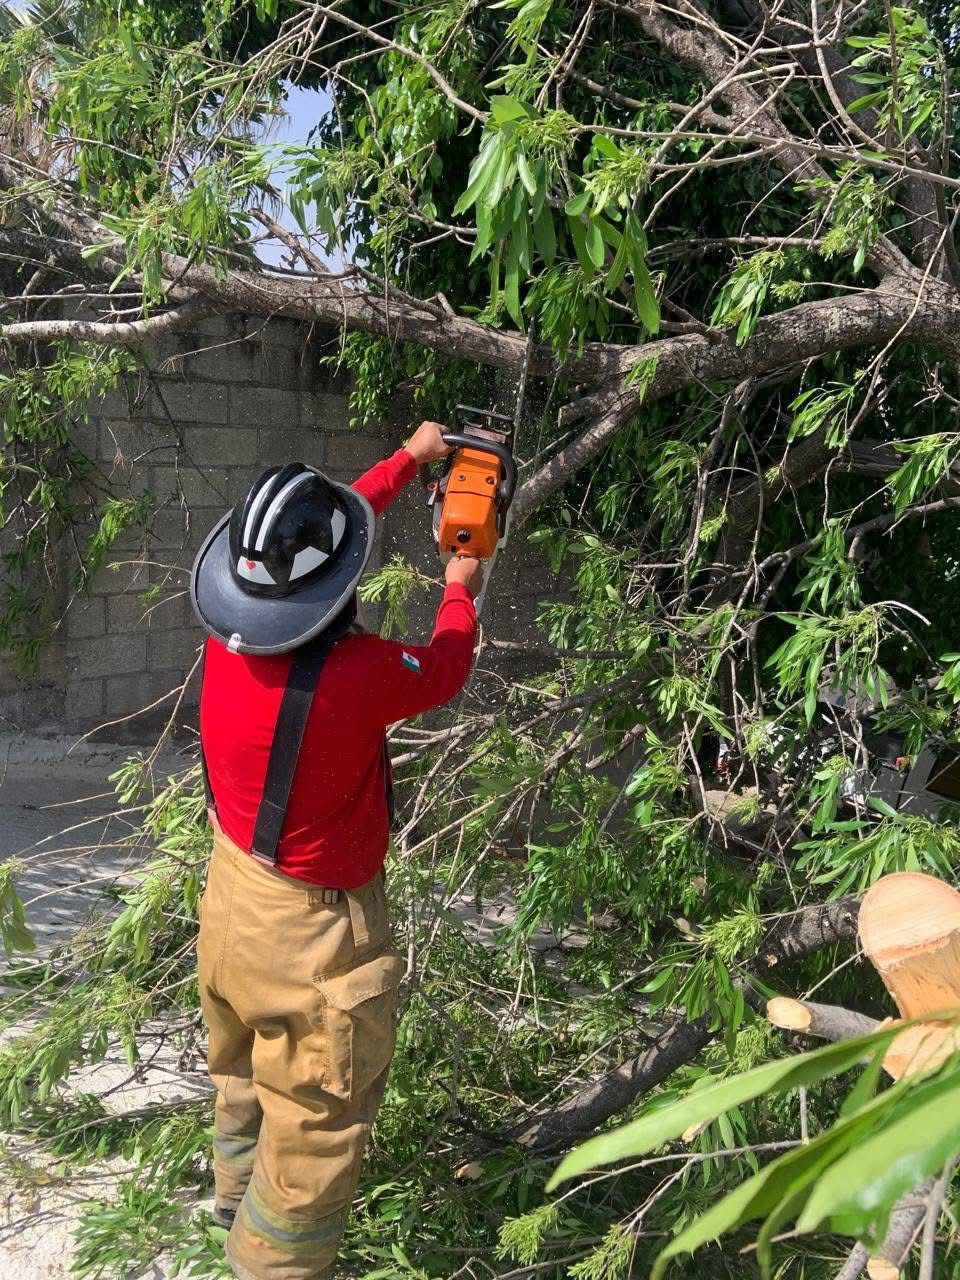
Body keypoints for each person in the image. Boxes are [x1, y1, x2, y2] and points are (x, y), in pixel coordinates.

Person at [189, 420, 483, 1280]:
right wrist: (460, 581)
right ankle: (273, 1266)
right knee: (315, 1121)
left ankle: (227, 1199)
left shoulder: (228, 634)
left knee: (240, 1070)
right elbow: (446, 667)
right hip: (314, 936)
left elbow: (321, 539)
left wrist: (405, 460)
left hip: (233, 895)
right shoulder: (357, 677)